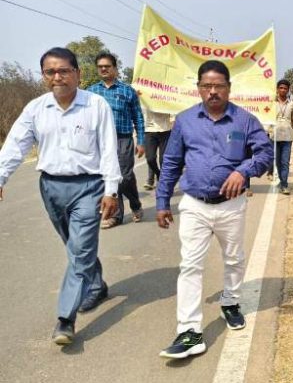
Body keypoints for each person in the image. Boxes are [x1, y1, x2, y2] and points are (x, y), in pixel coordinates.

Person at [0, 47, 121, 345]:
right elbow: (16, 145)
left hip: (89, 187)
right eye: (50, 72)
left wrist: (111, 190)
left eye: (64, 71)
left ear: (77, 74)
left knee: (80, 249)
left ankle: (66, 319)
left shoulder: (96, 105)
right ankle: (96, 285)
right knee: (75, 245)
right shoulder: (36, 109)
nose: (57, 77)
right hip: (51, 188)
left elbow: (109, 149)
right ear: (43, 76)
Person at [156, 60, 273, 359]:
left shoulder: (245, 121)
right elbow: (171, 162)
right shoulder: (185, 121)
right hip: (194, 205)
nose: (212, 91)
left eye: (218, 86)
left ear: (229, 88)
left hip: (230, 206)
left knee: (233, 258)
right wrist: (162, 201)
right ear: (198, 88)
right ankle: (189, 331)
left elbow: (265, 153)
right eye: (206, 86)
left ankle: (230, 302)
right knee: (190, 265)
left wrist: (243, 171)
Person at [88, 53, 145, 228]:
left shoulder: (127, 91)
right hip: (100, 141)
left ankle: (135, 204)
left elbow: (138, 117)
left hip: (122, 139)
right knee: (109, 176)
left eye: (107, 66)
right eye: (100, 67)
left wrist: (141, 141)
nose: (103, 69)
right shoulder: (91, 92)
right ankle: (115, 216)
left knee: (125, 177)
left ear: (115, 68)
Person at [273, 79, 293, 195]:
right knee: (277, 162)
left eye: (285, 88)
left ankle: (284, 185)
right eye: (281, 88)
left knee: (285, 162)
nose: (283, 90)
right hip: (274, 136)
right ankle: (281, 180)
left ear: (288, 90)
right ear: (277, 89)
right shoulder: (271, 103)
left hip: (288, 136)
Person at [141, 103, 172, 191]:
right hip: (149, 130)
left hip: (165, 129)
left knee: (163, 160)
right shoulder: (144, 96)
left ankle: (164, 184)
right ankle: (158, 175)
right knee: (150, 158)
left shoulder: (166, 96)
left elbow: (174, 106)